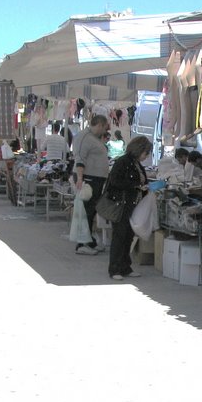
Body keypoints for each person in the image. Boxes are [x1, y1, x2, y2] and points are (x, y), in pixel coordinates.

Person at [105, 135, 152, 280]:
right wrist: (136, 186)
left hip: (132, 205)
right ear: (139, 150)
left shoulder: (136, 164)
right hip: (121, 204)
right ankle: (115, 269)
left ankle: (125, 267)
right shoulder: (123, 162)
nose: (146, 156)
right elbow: (115, 181)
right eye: (146, 153)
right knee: (120, 236)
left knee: (128, 237)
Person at [72, 114, 112, 255]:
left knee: (91, 210)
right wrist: (80, 178)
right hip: (88, 179)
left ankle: (89, 240)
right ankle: (82, 244)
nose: (105, 131)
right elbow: (80, 158)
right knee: (86, 211)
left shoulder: (93, 138)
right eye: (105, 127)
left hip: (95, 179)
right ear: (100, 125)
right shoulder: (84, 137)